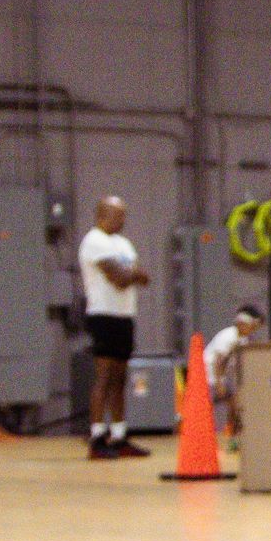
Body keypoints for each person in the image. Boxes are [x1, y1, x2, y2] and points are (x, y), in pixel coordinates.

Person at [77, 196, 151, 460]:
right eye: (117, 215)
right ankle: (97, 436)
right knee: (105, 376)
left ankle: (119, 435)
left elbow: (140, 276)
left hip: (124, 315)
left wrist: (132, 274)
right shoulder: (94, 241)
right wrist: (133, 274)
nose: (122, 220)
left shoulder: (123, 244)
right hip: (103, 315)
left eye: (124, 215)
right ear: (102, 215)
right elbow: (120, 278)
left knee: (120, 378)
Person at [203, 305, 265, 432]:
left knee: (234, 403)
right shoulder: (228, 336)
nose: (253, 330)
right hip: (209, 376)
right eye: (252, 327)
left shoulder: (243, 339)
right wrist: (219, 384)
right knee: (205, 406)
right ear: (242, 324)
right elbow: (219, 361)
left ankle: (233, 432)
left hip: (220, 376)